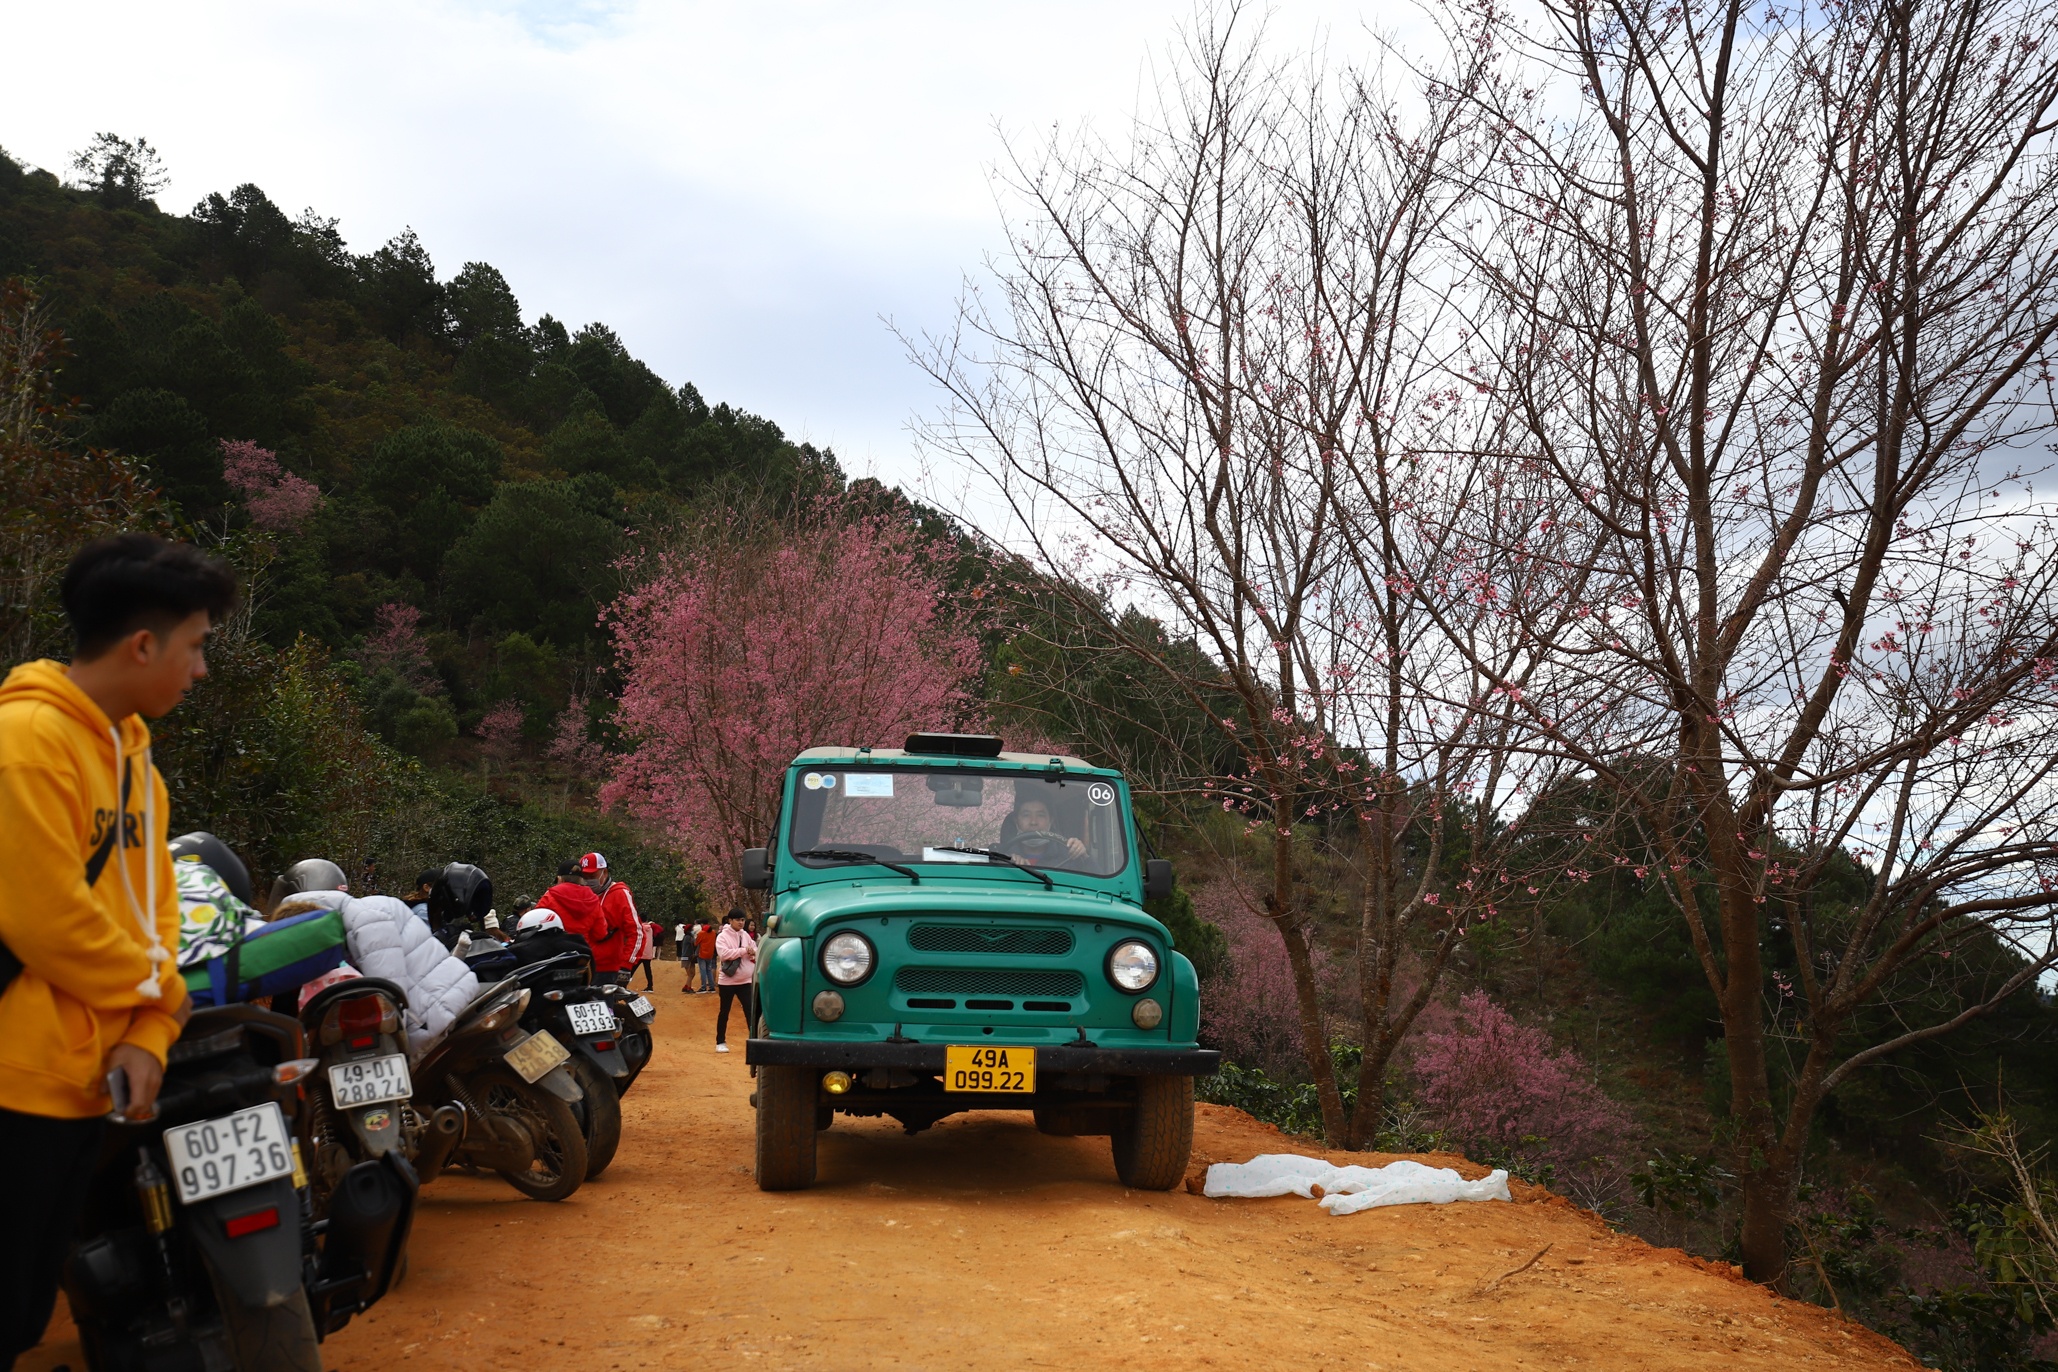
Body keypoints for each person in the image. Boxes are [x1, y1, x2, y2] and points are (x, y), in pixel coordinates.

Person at [0, 535, 233, 1370]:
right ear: (144, 645)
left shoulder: (138, 762)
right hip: (17, 1076)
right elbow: (44, 918)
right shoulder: (25, 743)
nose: (199, 669)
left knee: (28, 1310)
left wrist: (146, 1030)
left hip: (87, 1077)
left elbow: (157, 913)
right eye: (196, 645)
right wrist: (161, 997)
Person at [574, 852, 639, 985]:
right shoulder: (579, 894)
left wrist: (626, 965)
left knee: (604, 1003)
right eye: (584, 876)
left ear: (605, 872)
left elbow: (636, 932)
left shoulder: (619, 894)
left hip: (607, 969)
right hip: (580, 965)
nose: (588, 880)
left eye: (592, 876)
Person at [712, 909, 757, 1052]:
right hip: (727, 982)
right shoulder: (722, 937)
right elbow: (724, 954)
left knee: (750, 1012)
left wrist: (752, 952)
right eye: (737, 920)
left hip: (746, 981)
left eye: (743, 920)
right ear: (730, 921)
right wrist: (744, 950)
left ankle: (755, 1042)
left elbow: (755, 949)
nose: (741, 922)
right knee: (724, 1011)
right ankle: (720, 1042)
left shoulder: (745, 935)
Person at [999, 798, 1088, 867]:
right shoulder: (999, 858)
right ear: (1016, 820)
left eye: (1040, 815)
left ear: (1051, 820)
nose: (1033, 822)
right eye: (1026, 815)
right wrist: (1008, 862)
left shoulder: (1068, 857)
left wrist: (1084, 856)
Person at [629, 917, 658, 991]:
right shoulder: (650, 928)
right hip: (648, 952)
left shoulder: (640, 928)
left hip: (641, 952)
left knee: (632, 968)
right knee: (648, 970)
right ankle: (650, 986)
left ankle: (624, 984)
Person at [695, 919, 720, 995]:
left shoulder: (701, 933)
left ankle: (703, 987)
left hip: (702, 954)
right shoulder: (713, 933)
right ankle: (712, 987)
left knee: (703, 970)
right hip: (710, 954)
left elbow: (696, 943)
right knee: (709, 970)